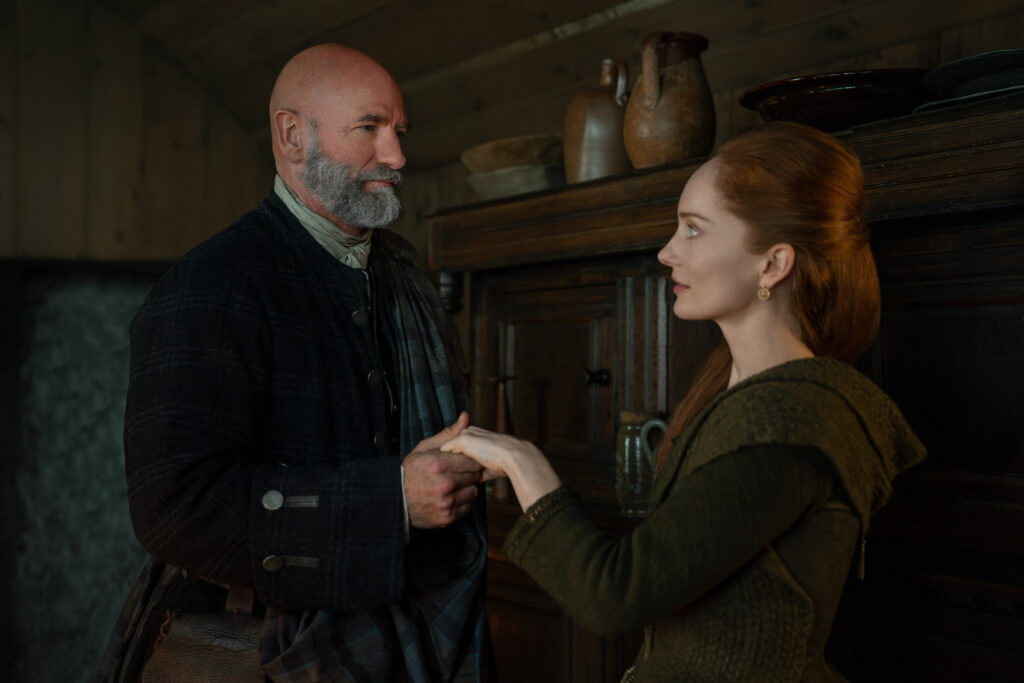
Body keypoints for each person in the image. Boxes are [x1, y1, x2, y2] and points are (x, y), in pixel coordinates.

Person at [441, 122, 927, 682]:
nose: (667, 252)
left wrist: (522, 462)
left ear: (772, 264)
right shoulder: (738, 392)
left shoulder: (792, 421)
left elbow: (615, 595)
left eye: (693, 230)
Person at [96, 44, 490, 682]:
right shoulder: (212, 284)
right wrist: (391, 499)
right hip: (260, 650)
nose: (396, 156)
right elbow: (174, 510)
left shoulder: (403, 276)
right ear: (292, 135)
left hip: (402, 636)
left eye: (399, 131)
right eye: (369, 127)